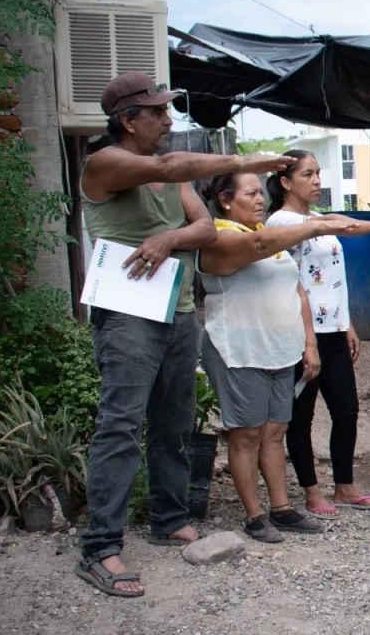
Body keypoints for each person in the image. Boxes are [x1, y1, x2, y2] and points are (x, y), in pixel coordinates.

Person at [75, 71, 296, 598]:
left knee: (173, 422)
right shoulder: (105, 162)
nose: (168, 118)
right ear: (128, 120)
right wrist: (246, 162)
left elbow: (203, 229)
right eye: (157, 112)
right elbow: (172, 166)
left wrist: (168, 236)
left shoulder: (169, 173)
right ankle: (99, 545)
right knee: (120, 427)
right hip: (126, 313)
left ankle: (168, 518)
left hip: (175, 310)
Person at [197, 172, 370, 543]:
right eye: (250, 193)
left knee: (275, 432)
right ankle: (254, 514)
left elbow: (299, 290)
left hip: (281, 348)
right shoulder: (219, 238)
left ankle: (281, 508)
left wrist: (309, 343)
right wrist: (328, 227)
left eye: (261, 192)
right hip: (240, 350)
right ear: (226, 200)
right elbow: (260, 245)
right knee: (246, 434)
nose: (260, 199)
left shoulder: (270, 239)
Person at [265, 150, 370, 518]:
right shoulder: (281, 223)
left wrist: (345, 322)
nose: (317, 180)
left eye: (318, 173)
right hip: (301, 334)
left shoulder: (318, 218)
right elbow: (288, 283)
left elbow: (332, 280)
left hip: (332, 329)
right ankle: (311, 491)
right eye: (307, 174)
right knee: (301, 417)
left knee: (346, 409)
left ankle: (345, 486)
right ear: (285, 182)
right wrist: (308, 341)